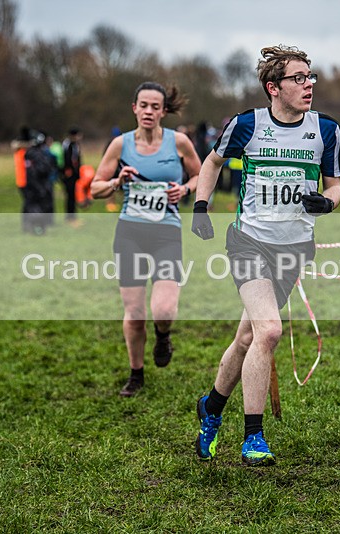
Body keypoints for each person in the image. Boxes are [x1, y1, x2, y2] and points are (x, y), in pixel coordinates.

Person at [190, 45, 340, 466]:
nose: (309, 84)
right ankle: (253, 438)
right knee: (270, 331)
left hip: (294, 248)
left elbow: (334, 186)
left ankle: (211, 407)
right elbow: (212, 162)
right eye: (299, 78)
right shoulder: (247, 124)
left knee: (248, 338)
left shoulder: (326, 129)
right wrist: (201, 206)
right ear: (273, 88)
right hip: (249, 243)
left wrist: (327, 203)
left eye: (311, 76)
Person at [91, 81, 201, 397]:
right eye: (143, 105)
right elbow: (95, 188)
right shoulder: (120, 145)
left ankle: (163, 335)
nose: (148, 111)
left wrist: (185, 189)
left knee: (164, 310)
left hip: (166, 233)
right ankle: (136, 373)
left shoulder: (178, 142)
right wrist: (116, 181)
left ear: (163, 111)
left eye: (155, 106)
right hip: (130, 233)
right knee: (135, 311)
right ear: (134, 108)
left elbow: (201, 175)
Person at [24, 130, 56, 235]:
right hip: (37, 185)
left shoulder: (34, 153)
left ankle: (35, 228)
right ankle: (37, 228)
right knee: (36, 208)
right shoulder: (35, 154)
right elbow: (38, 171)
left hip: (37, 185)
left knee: (36, 207)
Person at [62, 127, 83, 227]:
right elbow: (67, 160)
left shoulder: (75, 145)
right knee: (70, 197)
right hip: (69, 175)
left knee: (73, 196)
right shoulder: (68, 145)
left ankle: (72, 217)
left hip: (73, 175)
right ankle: (70, 218)